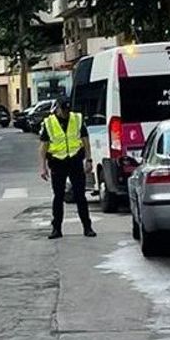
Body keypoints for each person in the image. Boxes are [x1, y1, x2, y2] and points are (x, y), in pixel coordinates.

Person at [38, 96, 96, 240]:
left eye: (68, 109)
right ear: (57, 108)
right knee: (58, 197)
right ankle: (56, 229)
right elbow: (43, 146)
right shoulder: (49, 123)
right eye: (63, 109)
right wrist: (43, 167)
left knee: (80, 196)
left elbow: (85, 140)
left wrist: (89, 159)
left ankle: (87, 227)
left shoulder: (77, 119)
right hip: (57, 162)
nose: (66, 112)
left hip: (75, 160)